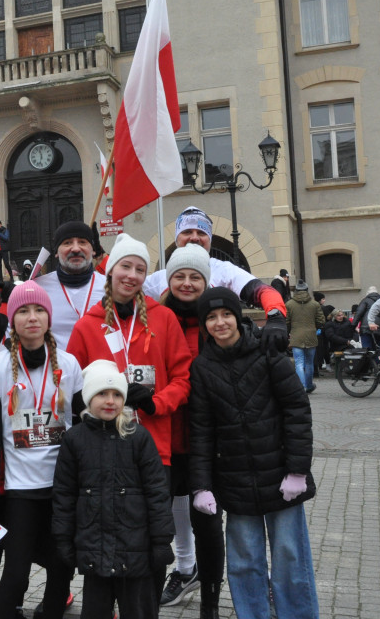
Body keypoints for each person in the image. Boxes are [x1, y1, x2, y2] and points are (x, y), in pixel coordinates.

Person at [189, 287, 318, 619]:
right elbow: (201, 430)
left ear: (238, 317)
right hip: (235, 481)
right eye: (211, 317)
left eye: (226, 315)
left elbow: (297, 410)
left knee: (290, 558)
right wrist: (201, 485)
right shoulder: (202, 367)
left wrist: (298, 470)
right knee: (245, 562)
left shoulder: (267, 351)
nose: (220, 323)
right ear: (205, 325)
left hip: (280, 475)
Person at [0, 282, 82, 619]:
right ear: (13, 319)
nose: (32, 317)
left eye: (39, 310)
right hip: (20, 488)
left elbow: (80, 428)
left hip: (61, 486)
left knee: (62, 567)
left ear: (49, 318)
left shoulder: (69, 364)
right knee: (17, 571)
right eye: (23, 311)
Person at [52, 359, 175, 619]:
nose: (110, 400)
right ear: (88, 398)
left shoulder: (138, 437)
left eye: (117, 394)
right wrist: (63, 539)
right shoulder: (74, 439)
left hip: (135, 550)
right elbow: (64, 495)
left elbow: (157, 493)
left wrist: (162, 541)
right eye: (102, 394)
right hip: (94, 551)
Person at [66, 233, 193, 470]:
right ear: (111, 270)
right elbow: (73, 388)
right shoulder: (85, 326)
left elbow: (182, 379)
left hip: (154, 446)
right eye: (126, 266)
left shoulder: (165, 319)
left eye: (140, 269)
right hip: (101, 448)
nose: (132, 275)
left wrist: (155, 403)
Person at [155, 243, 225, 618]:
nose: (186, 283)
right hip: (163, 434)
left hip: (206, 440)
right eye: (179, 276)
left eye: (194, 276)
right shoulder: (154, 318)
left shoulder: (218, 320)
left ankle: (211, 603)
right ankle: (182, 572)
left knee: (209, 524)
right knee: (163, 518)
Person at [142, 207, 289, 357]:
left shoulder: (224, 270)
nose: (194, 238)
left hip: (214, 361)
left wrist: (275, 317)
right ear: (176, 238)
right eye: (187, 232)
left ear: (210, 239)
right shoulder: (159, 277)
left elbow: (264, 291)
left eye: (201, 233)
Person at [33, 222, 106, 350]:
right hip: (56, 368)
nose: (76, 249)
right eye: (67, 243)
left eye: (82, 242)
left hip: (100, 367)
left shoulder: (110, 287)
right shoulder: (38, 288)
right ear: (56, 252)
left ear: (93, 250)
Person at [285, 281, 324, 394]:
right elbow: (321, 321)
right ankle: (309, 385)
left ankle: (301, 387)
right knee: (309, 363)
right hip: (311, 336)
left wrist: (288, 332)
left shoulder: (289, 304)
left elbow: (286, 322)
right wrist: (314, 327)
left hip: (296, 336)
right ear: (307, 290)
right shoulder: (315, 304)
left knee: (299, 363)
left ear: (296, 290)